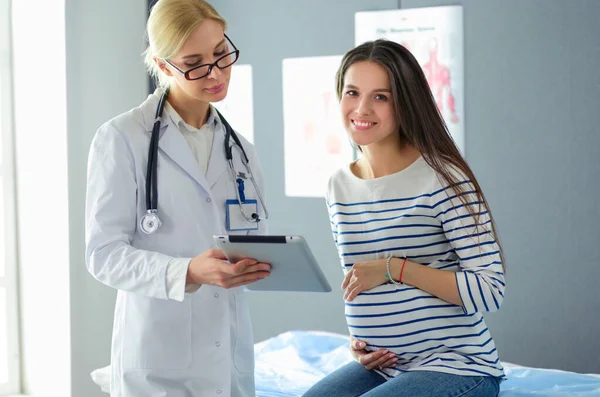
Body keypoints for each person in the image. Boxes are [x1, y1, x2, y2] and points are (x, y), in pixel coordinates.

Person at [84, 1, 270, 395]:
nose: (216, 72)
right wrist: (186, 271)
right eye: (195, 62)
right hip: (159, 362)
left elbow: (251, 237)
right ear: (164, 65)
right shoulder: (122, 139)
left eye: (221, 53)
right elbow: (103, 254)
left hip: (228, 359)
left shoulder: (242, 151)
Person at [303, 39, 505, 397]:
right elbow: (359, 282)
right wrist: (359, 343)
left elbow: (489, 291)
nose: (361, 108)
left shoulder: (442, 177)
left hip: (457, 365)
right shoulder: (338, 185)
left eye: (381, 96)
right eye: (352, 92)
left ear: (406, 103)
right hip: (385, 368)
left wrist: (393, 268)